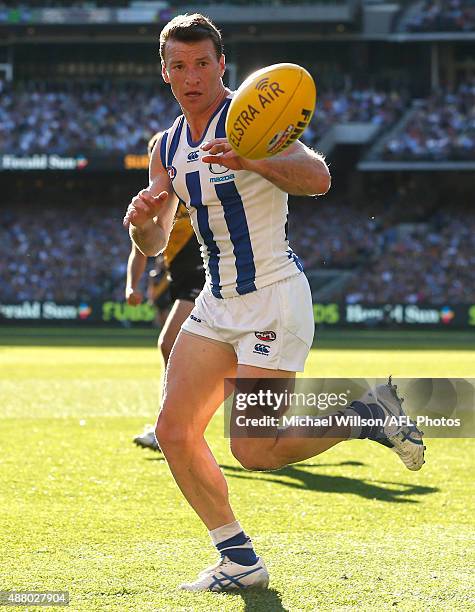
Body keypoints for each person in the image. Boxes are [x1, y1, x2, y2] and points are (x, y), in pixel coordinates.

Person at [123, 14, 425, 592]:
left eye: (202, 64)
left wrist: (253, 159)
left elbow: (318, 178)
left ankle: (365, 414)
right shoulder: (165, 147)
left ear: (221, 65)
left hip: (273, 299)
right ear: (165, 73)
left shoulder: (255, 117)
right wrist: (140, 226)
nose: (192, 77)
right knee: (173, 431)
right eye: (179, 66)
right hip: (217, 303)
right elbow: (158, 241)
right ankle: (239, 560)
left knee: (255, 450)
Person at [126, 131, 205, 452]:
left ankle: (170, 427)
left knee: (169, 343)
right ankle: (173, 426)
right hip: (183, 281)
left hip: (206, 277)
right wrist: (131, 284)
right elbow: (141, 249)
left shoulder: (194, 187)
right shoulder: (160, 198)